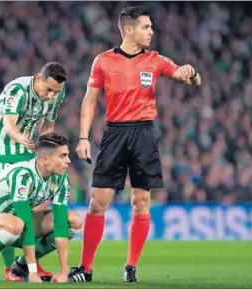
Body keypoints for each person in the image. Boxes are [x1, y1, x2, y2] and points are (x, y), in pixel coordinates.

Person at [68, 6, 202, 283]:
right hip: (115, 133)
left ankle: (130, 266)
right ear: (129, 30)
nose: (152, 32)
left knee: (141, 202)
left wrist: (193, 72)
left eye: (151, 27)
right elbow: (89, 100)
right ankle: (86, 268)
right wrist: (83, 138)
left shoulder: (155, 60)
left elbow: (190, 80)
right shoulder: (103, 61)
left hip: (144, 134)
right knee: (97, 203)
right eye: (146, 27)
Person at [0, 61, 67, 281]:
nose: (51, 95)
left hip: (27, 150)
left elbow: (48, 126)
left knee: (39, 204)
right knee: (10, 208)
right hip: (1, 150)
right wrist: (21, 136)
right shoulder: (17, 89)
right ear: (38, 79)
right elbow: (9, 123)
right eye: (48, 89)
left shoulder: (58, 92)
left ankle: (28, 263)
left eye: (55, 91)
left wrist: (45, 150)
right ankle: (9, 269)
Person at [0, 133, 82, 284]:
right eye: (62, 156)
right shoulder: (23, 175)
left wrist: (63, 272)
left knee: (73, 221)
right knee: (18, 224)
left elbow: (60, 223)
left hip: (16, 225)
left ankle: (21, 266)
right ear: (45, 159)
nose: (68, 161)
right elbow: (26, 222)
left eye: (67, 155)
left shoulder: (61, 179)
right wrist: (34, 272)